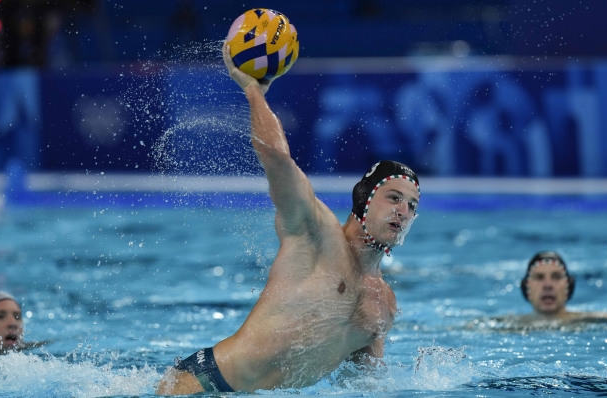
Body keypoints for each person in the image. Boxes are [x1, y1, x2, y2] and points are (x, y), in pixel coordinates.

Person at [156, 43, 421, 394]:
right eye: (394, 198)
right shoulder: (316, 233)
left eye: (412, 206)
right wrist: (253, 90)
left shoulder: (383, 305)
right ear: (364, 200)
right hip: (203, 384)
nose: (403, 211)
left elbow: (364, 386)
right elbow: (276, 159)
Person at [517, 251, 607, 323]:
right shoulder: (509, 325)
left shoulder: (599, 321)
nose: (548, 285)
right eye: (539, 277)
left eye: (556, 277)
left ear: (569, 286)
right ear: (526, 287)